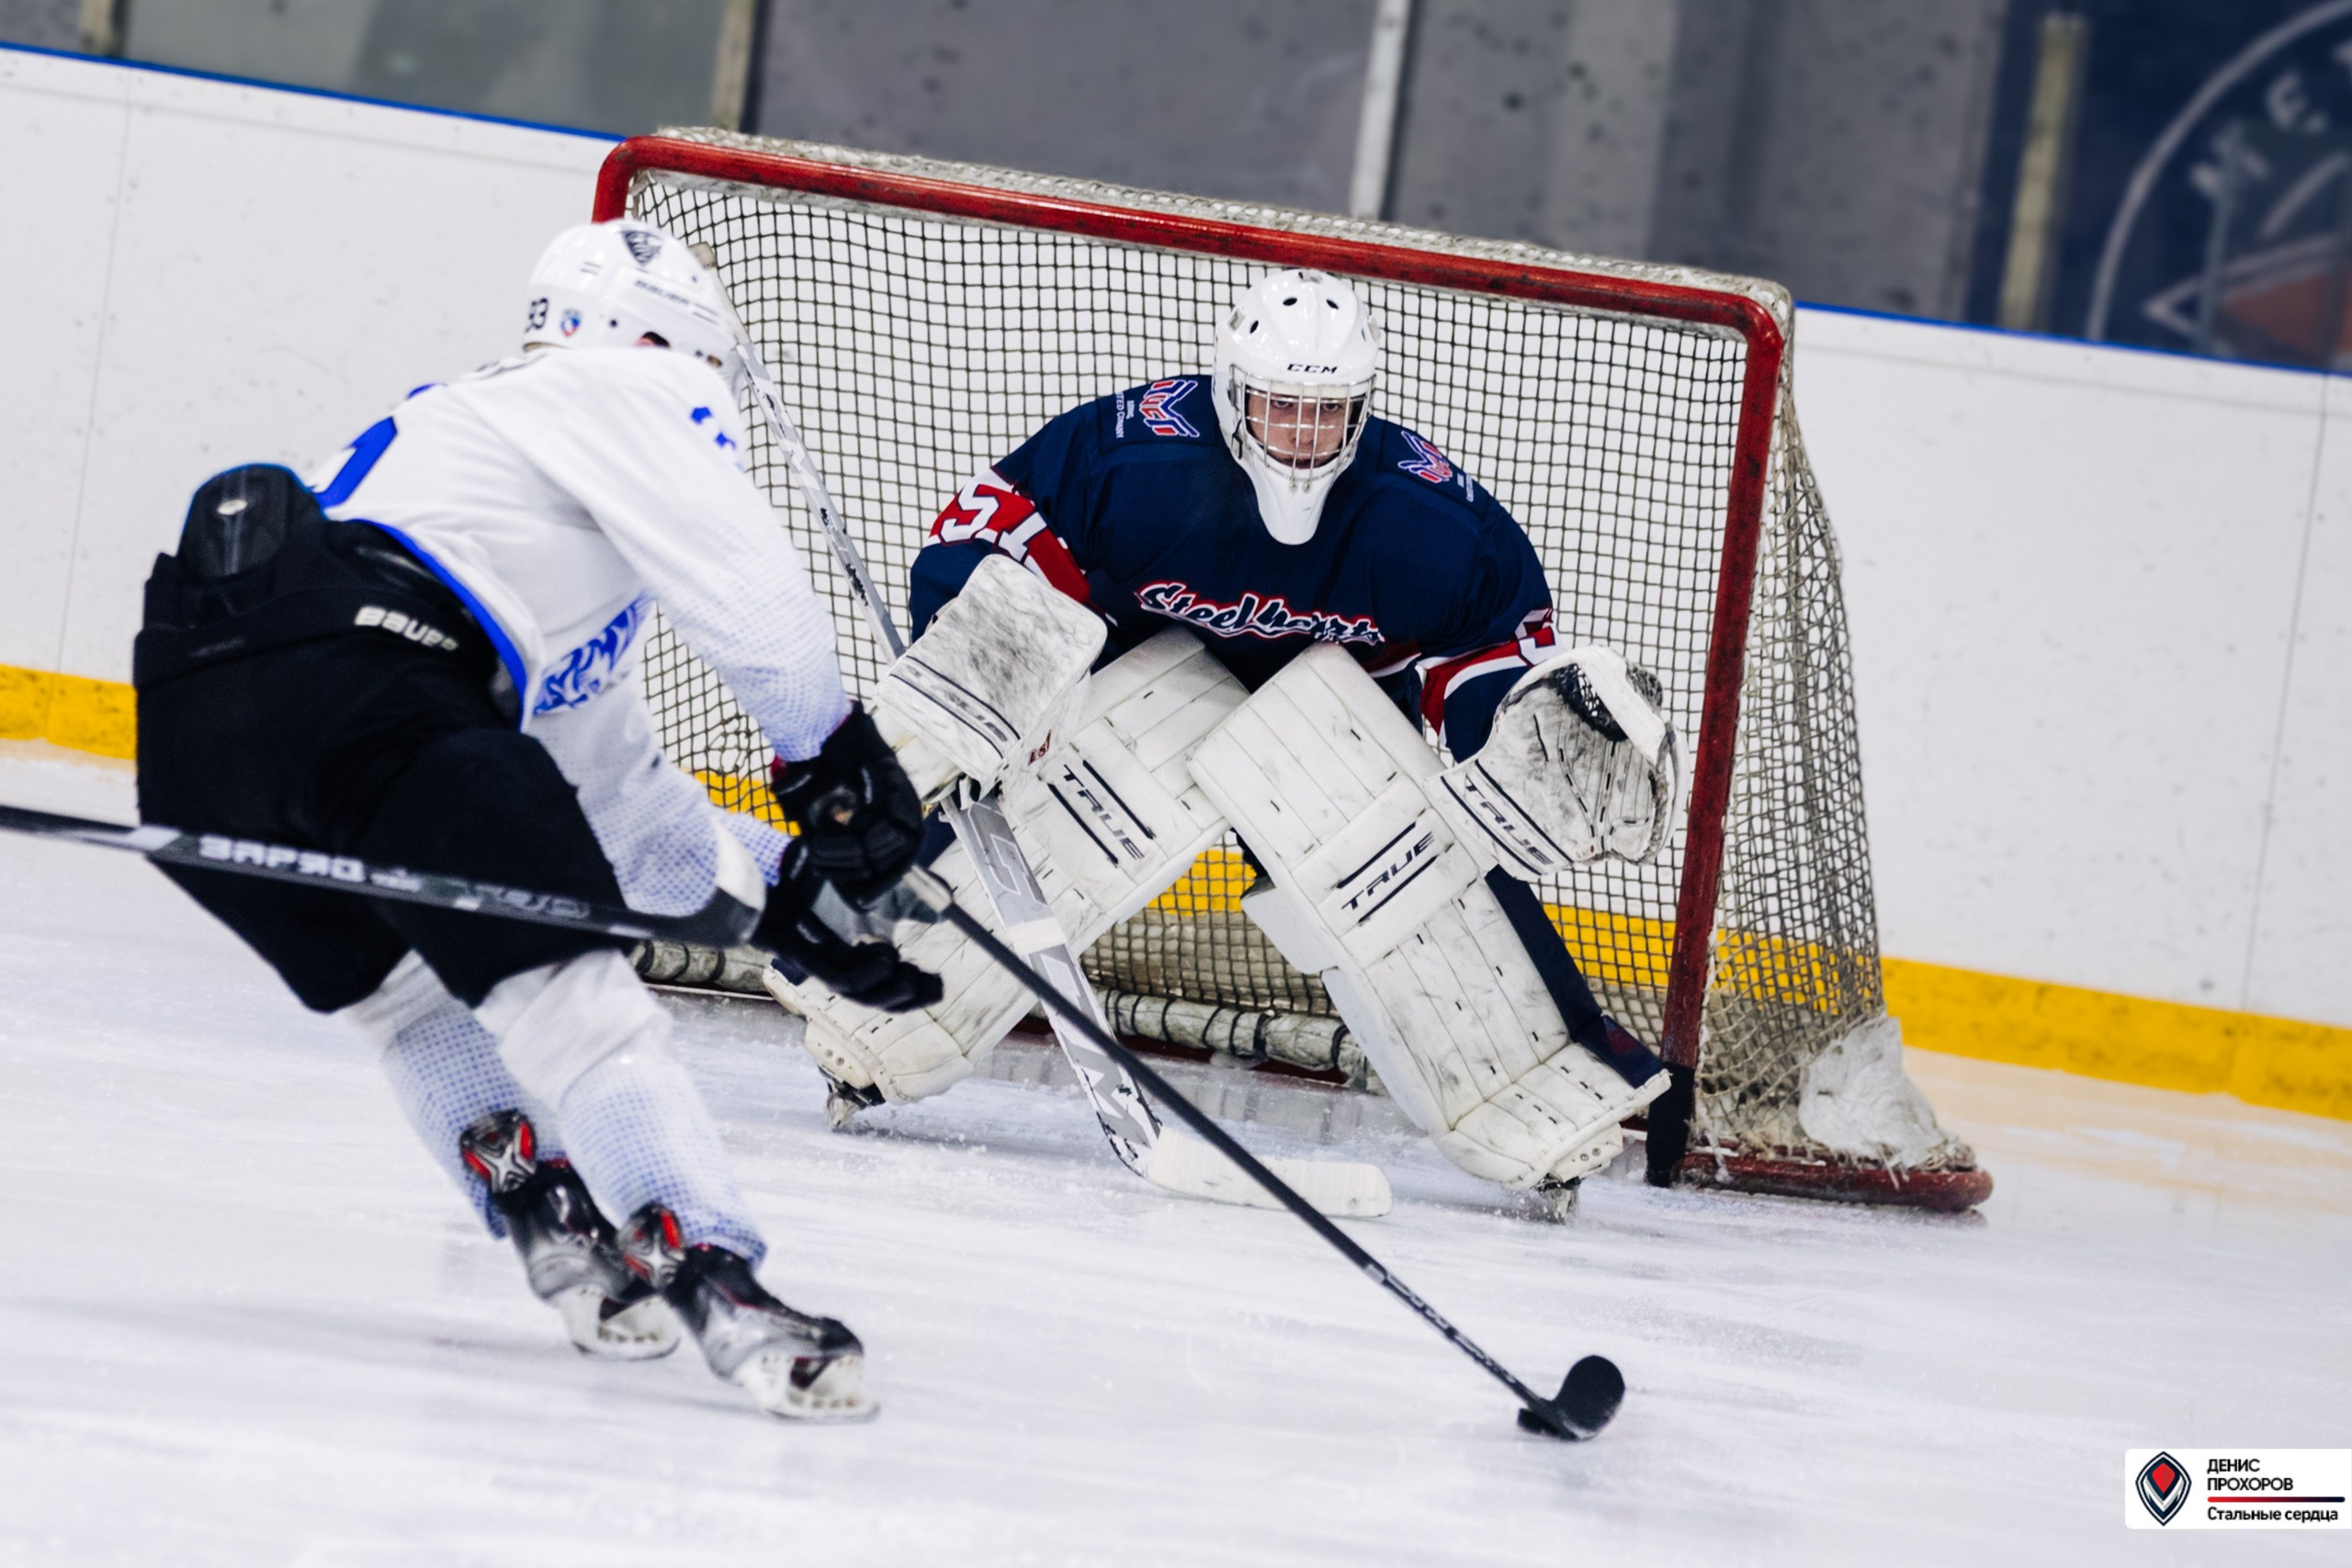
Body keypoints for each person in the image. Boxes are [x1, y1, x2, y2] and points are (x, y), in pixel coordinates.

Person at [131, 218, 934, 1418]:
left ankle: (549, 1218)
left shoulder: (481, 472)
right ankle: (712, 1272)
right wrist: (832, 758)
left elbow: (626, 816)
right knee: (580, 1014)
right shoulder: (625, 380)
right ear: (670, 343)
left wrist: (788, 912)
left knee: (408, 998)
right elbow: (752, 595)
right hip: (377, 681)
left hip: (195, 725)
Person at [769, 268, 1678, 1213]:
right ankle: (870, 1019)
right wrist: (998, 687)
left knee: (1399, 870)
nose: (1301, 435)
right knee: (1082, 813)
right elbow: (984, 542)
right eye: (1280, 407)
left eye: (1326, 414)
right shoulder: (1132, 457)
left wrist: (1520, 741)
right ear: (1232, 388)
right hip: (1135, 680)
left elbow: (1490, 646)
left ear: (1361, 409)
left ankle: (1533, 1100)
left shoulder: (1431, 522)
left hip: (1330, 722)